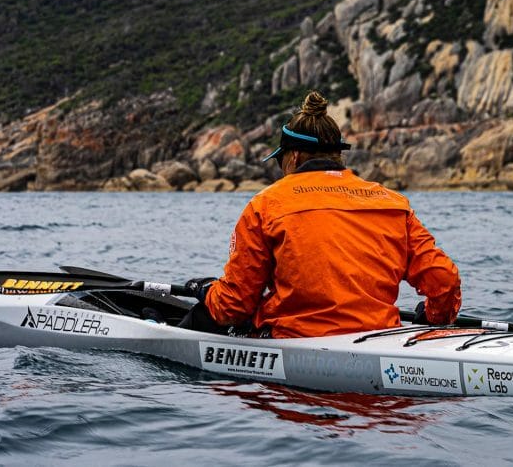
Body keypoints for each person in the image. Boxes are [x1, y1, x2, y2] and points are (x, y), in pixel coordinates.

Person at [180, 90, 461, 338]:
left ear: (293, 157)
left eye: (280, 161)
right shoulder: (393, 203)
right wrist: (435, 318)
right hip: (379, 338)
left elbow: (233, 306)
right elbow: (444, 281)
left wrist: (208, 293)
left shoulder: (266, 205)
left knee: (206, 315)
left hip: (294, 347)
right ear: (338, 155)